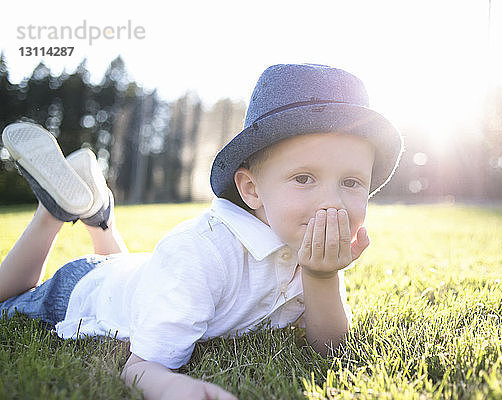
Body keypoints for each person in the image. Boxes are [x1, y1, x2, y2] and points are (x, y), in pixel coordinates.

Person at [0, 63, 403, 400]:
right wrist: (175, 387)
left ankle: (101, 215)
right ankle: (52, 213)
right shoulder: (201, 254)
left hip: (141, 275)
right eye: (303, 178)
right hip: (84, 289)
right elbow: (140, 367)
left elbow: (331, 346)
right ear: (251, 189)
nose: (330, 202)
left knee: (126, 269)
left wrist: (321, 276)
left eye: (351, 183)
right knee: (8, 299)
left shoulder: (305, 243)